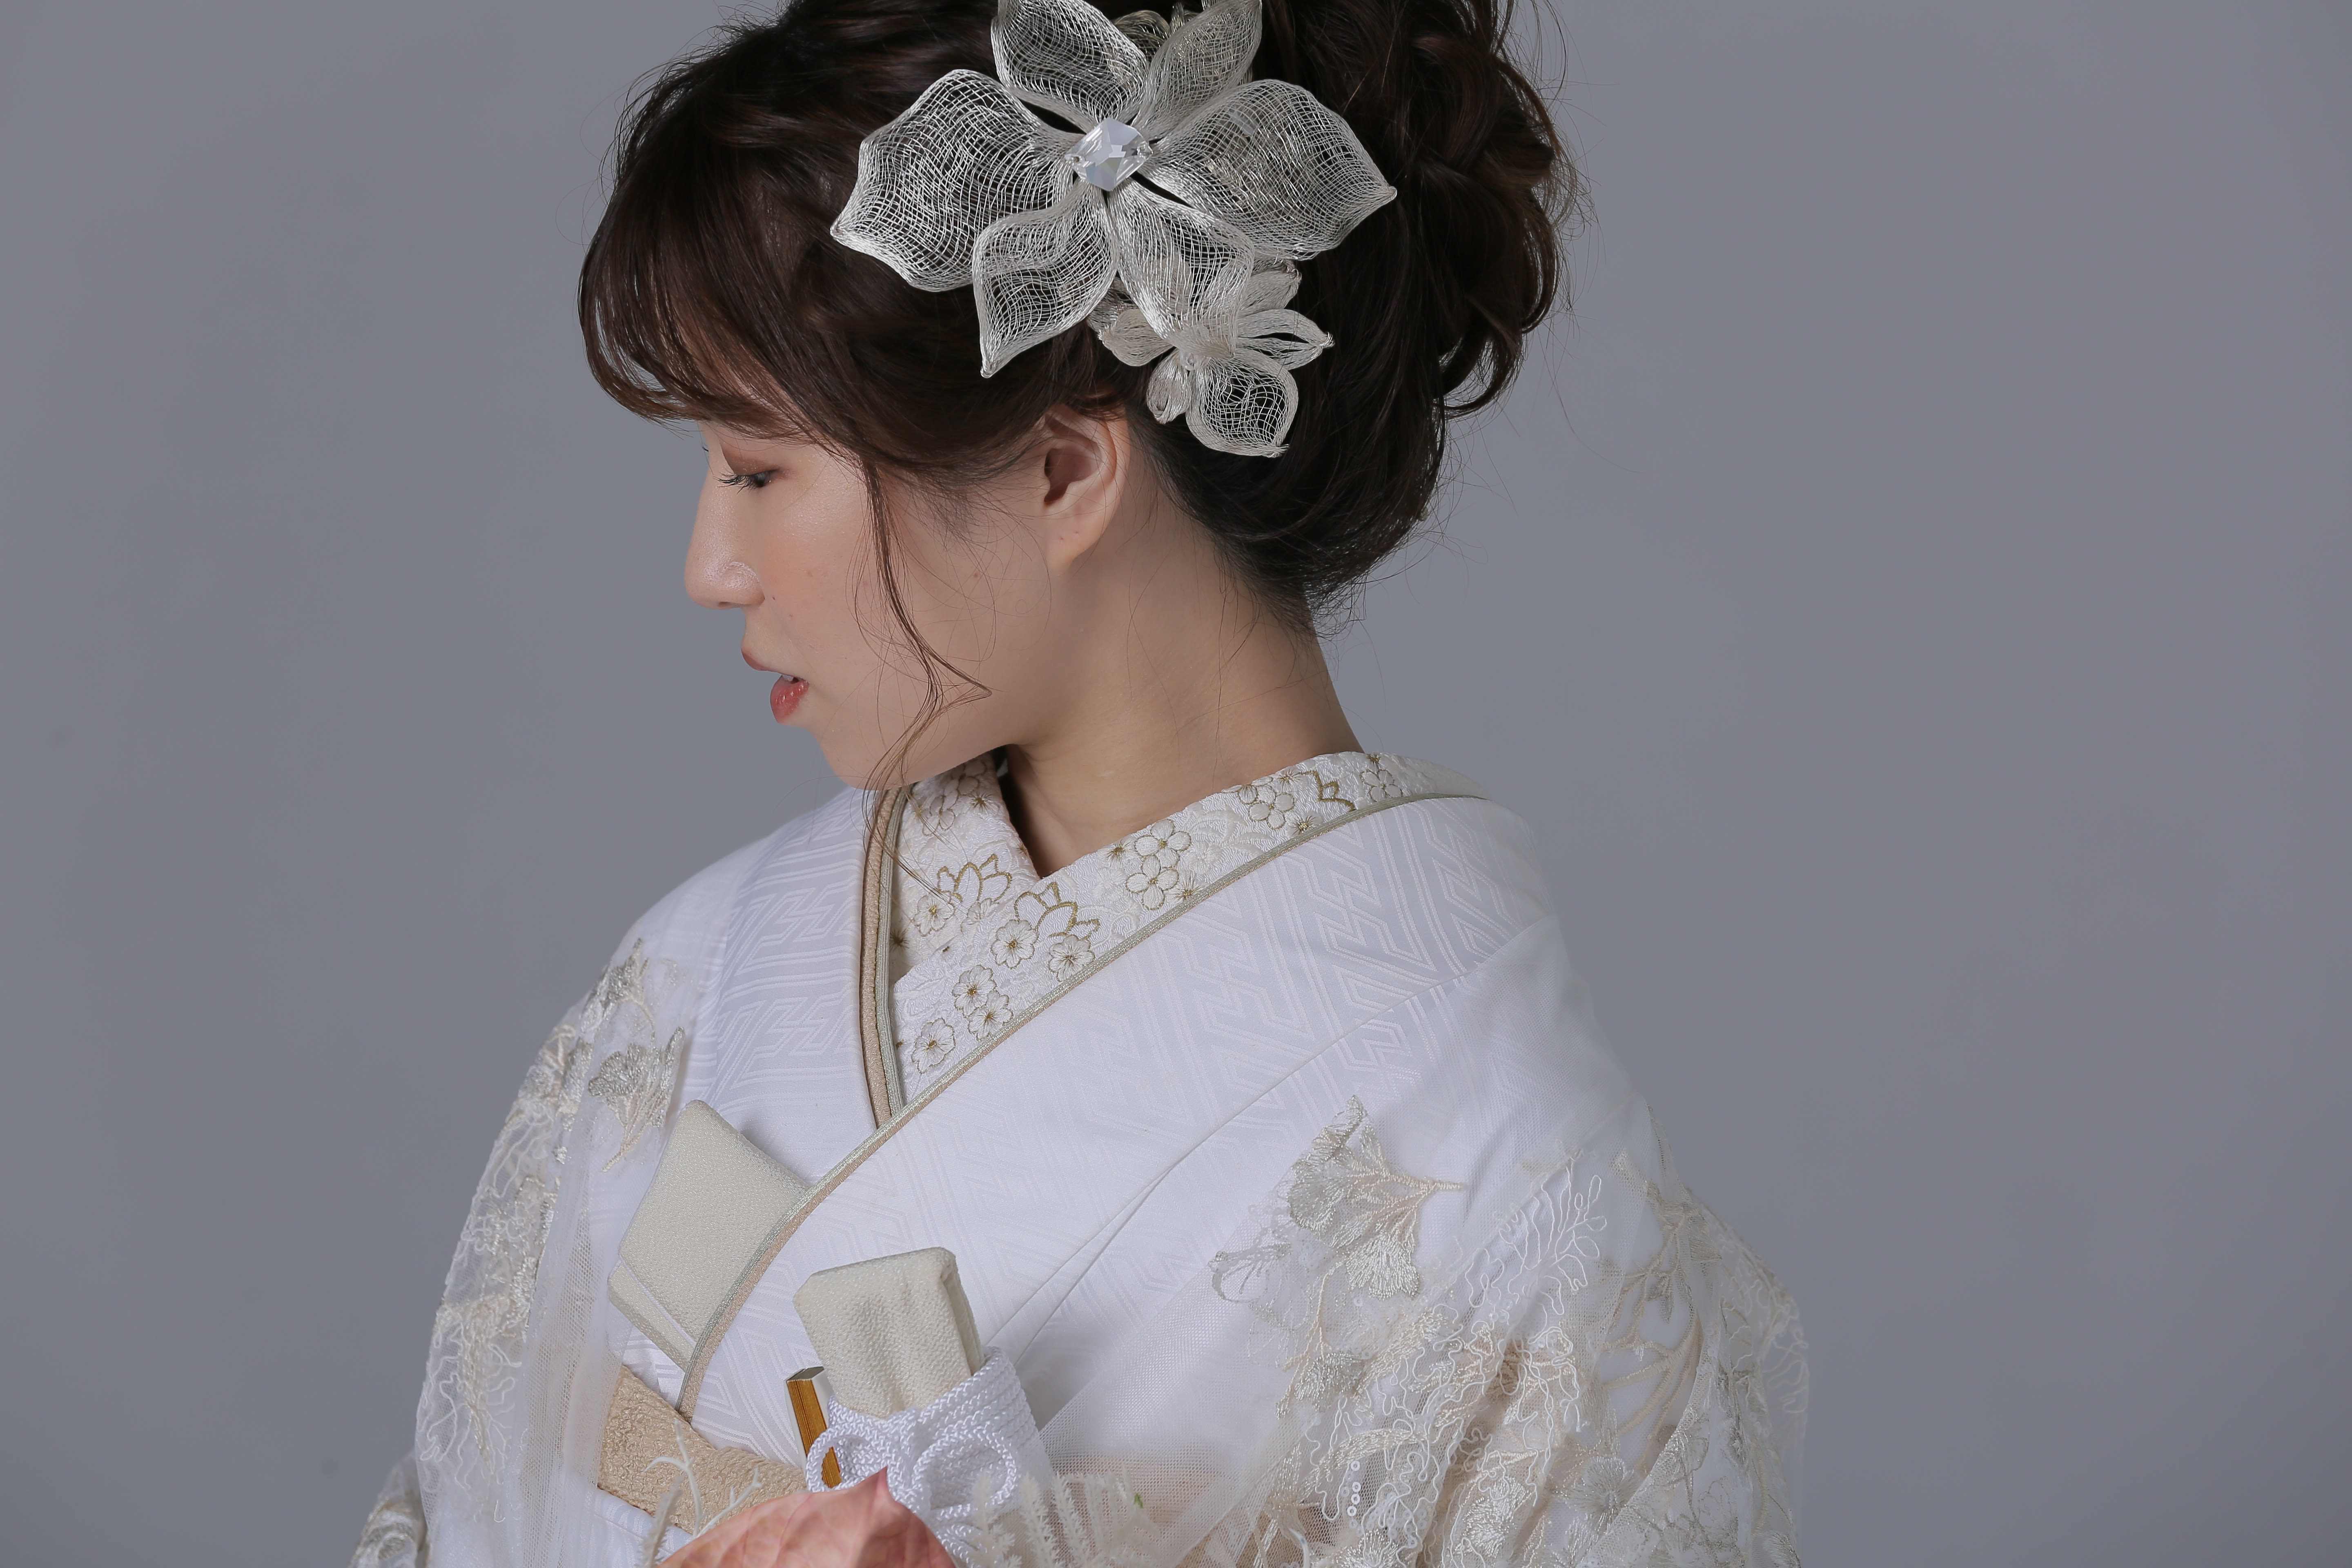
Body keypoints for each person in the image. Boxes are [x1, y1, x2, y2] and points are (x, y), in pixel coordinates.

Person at [350, 0, 1804, 1563]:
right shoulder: (705, 971)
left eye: (760, 470)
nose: (713, 566)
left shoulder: (1509, 1173)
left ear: (1064, 472)